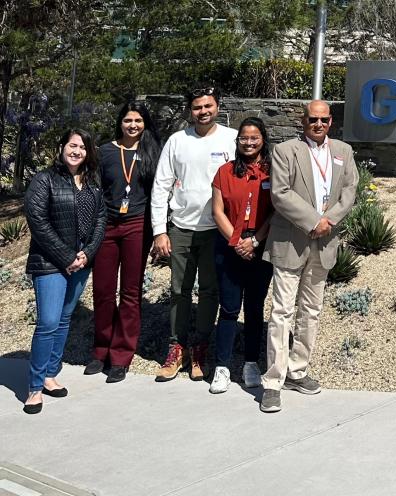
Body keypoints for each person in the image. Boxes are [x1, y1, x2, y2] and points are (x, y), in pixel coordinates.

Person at [259, 100, 358, 413]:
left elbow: (350, 190)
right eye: (313, 119)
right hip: (291, 241)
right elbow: (281, 193)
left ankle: (297, 371)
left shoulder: (344, 151)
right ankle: (273, 381)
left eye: (324, 120)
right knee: (281, 311)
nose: (318, 124)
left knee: (311, 310)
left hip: (325, 241)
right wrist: (314, 220)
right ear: (303, 121)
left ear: (331, 122)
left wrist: (328, 222)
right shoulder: (285, 151)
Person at [151, 86, 237, 382]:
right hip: (181, 229)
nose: (204, 111)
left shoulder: (232, 139)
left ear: (217, 107)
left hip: (216, 231)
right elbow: (161, 186)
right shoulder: (177, 141)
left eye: (208, 106)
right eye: (198, 107)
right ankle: (177, 348)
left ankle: (200, 347)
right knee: (179, 291)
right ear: (191, 110)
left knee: (211, 291)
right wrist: (160, 231)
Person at [22, 129, 106, 414]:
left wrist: (87, 253)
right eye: (73, 145)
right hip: (50, 263)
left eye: (83, 147)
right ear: (62, 147)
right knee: (47, 322)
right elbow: (37, 220)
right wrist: (66, 256)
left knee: (64, 319)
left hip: (81, 263)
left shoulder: (93, 182)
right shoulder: (44, 180)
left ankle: (49, 374)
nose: (77, 151)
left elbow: (100, 220)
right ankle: (34, 387)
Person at [85, 102, 160, 383]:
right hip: (107, 227)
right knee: (103, 292)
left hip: (137, 227)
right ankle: (100, 350)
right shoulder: (104, 152)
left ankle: (121, 355)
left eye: (138, 120)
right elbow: (93, 189)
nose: (133, 125)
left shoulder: (152, 152)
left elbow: (159, 191)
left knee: (130, 293)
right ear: (120, 123)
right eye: (128, 120)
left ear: (145, 123)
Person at [208, 117, 274, 394]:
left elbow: (276, 211)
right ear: (237, 142)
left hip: (261, 247)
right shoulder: (225, 172)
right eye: (243, 138)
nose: (248, 142)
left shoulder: (273, 172)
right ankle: (221, 367)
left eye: (254, 137)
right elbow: (217, 211)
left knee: (255, 309)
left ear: (263, 140)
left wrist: (255, 241)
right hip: (229, 246)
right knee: (229, 308)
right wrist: (237, 243)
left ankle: (250, 363)